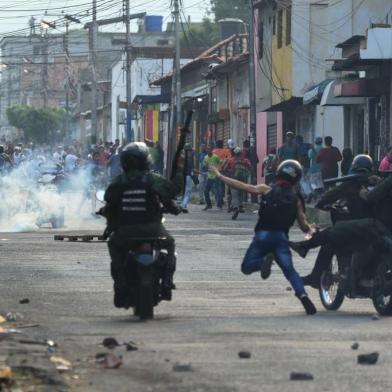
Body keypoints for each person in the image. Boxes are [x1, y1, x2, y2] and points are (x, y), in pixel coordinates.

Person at [210, 160, 317, 315]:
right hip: (281, 238)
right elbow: (303, 226)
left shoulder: (266, 189)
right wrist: (312, 230)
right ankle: (303, 295)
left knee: (246, 267)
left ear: (280, 171)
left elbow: (244, 187)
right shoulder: (296, 199)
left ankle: (263, 262)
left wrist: (220, 176)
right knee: (290, 272)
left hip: (263, 235)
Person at [103, 142, 183, 308]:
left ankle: (120, 282)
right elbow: (172, 192)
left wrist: (110, 225)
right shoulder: (153, 180)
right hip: (153, 229)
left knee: (113, 245)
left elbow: (109, 203)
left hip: (125, 232)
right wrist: (180, 170)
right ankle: (168, 279)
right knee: (170, 245)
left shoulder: (118, 182)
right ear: (146, 161)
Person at [296, 155, 376, 288]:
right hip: (377, 229)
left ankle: (315, 275)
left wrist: (316, 211)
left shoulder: (350, 185)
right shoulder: (378, 185)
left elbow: (327, 198)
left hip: (358, 230)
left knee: (329, 242)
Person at [223, 147, 250, 219]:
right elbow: (250, 168)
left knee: (234, 194)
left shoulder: (230, 160)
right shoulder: (245, 160)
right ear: (241, 153)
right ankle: (240, 206)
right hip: (243, 180)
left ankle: (236, 208)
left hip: (233, 179)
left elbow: (225, 169)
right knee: (240, 193)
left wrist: (228, 175)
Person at [203, 146, 222, 210]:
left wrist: (218, 170)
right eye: (207, 150)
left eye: (209, 150)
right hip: (209, 177)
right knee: (206, 191)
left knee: (216, 191)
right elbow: (204, 165)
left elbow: (220, 163)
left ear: (211, 150)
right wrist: (206, 168)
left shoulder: (215, 157)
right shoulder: (205, 157)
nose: (208, 151)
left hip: (215, 176)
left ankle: (219, 205)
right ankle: (209, 205)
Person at [181, 144, 195, 211]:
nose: (192, 152)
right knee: (188, 192)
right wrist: (202, 173)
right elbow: (192, 169)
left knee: (184, 191)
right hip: (188, 176)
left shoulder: (182, 158)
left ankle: (182, 204)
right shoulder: (189, 159)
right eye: (190, 151)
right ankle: (184, 204)